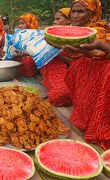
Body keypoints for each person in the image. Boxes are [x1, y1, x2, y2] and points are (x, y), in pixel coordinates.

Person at [61, 0, 110, 150]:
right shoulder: (78, 32)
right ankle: (86, 116)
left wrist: (100, 45)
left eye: (80, 11)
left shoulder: (99, 31)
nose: (75, 16)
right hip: (89, 72)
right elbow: (85, 54)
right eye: (73, 12)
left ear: (92, 14)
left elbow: (99, 54)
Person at [41, 8, 72, 106]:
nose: (54, 22)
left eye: (58, 19)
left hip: (70, 71)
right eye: (54, 19)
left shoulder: (77, 37)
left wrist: (58, 55)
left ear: (68, 20)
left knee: (60, 94)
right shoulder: (53, 36)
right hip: (53, 68)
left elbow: (78, 63)